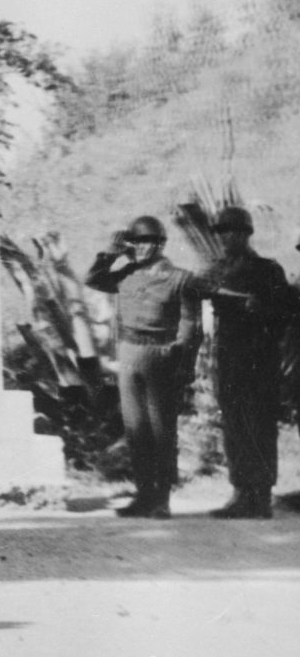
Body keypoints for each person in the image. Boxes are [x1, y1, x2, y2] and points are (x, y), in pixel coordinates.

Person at [84, 215, 201, 518]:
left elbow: (191, 325)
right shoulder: (126, 274)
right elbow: (93, 279)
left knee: (162, 429)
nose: (140, 247)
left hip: (161, 353)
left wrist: (186, 363)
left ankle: (161, 498)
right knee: (135, 428)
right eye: (135, 241)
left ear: (161, 244)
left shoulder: (179, 277)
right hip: (129, 351)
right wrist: (111, 253)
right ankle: (144, 494)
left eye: (147, 241)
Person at [199, 205, 296, 519]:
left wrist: (260, 308)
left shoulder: (267, 270)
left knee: (259, 425)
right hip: (228, 357)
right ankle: (241, 491)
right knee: (233, 423)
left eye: (232, 231)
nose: (227, 237)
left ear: (245, 234)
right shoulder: (216, 270)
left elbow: (286, 314)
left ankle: (261, 495)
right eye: (222, 232)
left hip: (259, 359)